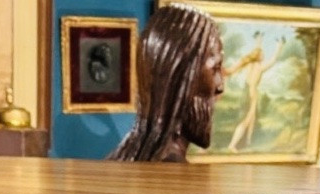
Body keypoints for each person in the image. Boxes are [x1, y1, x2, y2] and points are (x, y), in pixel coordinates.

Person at [108, 3, 224, 162]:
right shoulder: (171, 172)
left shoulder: (123, 157)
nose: (220, 86)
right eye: (215, 68)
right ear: (181, 74)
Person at [224, 31, 286, 153]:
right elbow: (273, 60)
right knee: (246, 120)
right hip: (251, 93)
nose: (263, 55)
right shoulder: (259, 67)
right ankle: (232, 145)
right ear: (258, 56)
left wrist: (259, 40)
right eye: (262, 54)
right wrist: (279, 47)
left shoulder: (250, 64)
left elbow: (256, 50)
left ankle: (246, 142)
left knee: (251, 118)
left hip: (247, 91)